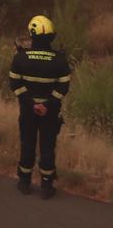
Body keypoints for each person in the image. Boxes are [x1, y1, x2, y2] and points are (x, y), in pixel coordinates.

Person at [10, 15, 73, 199]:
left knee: (27, 144)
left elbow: (15, 85)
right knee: (47, 146)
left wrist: (32, 104)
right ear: (51, 36)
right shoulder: (60, 60)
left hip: (28, 110)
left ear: (32, 35)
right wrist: (47, 105)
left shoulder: (20, 58)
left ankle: (24, 181)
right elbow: (63, 87)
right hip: (50, 112)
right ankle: (46, 186)